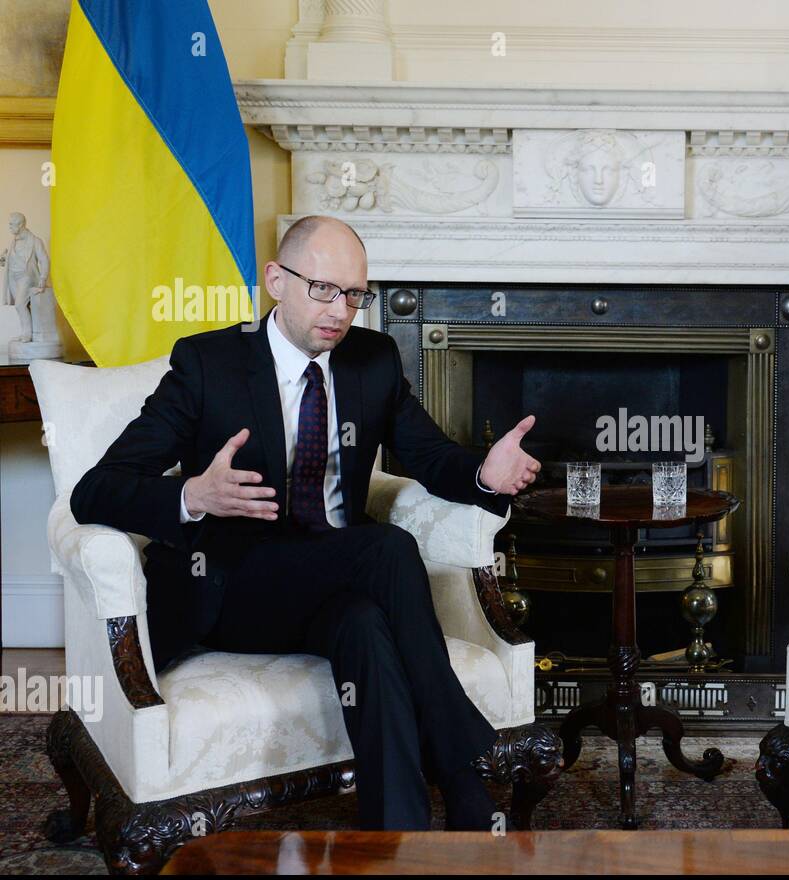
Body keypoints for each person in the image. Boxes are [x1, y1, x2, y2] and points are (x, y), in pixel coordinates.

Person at [71, 215, 541, 831]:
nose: (341, 310)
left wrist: (485, 475)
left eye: (354, 294)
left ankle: (397, 844)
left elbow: (427, 456)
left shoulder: (371, 360)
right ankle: (461, 762)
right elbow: (94, 491)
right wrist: (191, 494)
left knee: (367, 627)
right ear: (276, 281)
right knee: (388, 549)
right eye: (323, 288)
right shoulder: (208, 364)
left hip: (335, 582)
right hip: (233, 584)